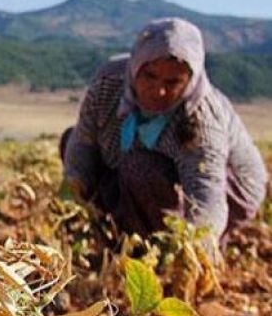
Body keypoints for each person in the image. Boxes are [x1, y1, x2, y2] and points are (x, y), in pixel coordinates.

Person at [61, 18, 267, 248]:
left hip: (229, 188)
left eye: (173, 82)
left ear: (190, 81)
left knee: (139, 168)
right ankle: (118, 232)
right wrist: (71, 205)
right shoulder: (108, 83)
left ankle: (151, 247)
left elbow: (206, 198)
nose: (159, 91)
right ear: (136, 66)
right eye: (150, 76)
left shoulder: (200, 119)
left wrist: (193, 251)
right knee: (71, 141)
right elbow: (82, 144)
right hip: (147, 169)